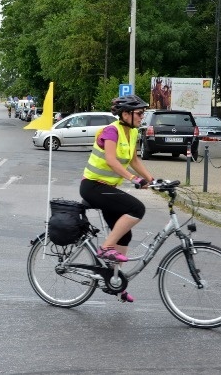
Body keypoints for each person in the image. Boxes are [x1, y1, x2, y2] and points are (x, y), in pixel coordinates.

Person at [79, 94, 154, 303]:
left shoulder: (131, 132)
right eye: (139, 113)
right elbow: (111, 160)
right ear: (126, 114)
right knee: (137, 209)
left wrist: (152, 179)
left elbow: (133, 159)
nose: (142, 117)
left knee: (125, 237)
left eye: (143, 113)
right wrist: (133, 179)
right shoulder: (111, 131)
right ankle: (105, 248)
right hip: (92, 186)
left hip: (107, 188)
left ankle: (115, 283)